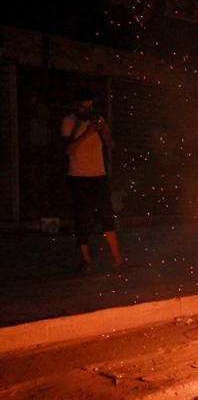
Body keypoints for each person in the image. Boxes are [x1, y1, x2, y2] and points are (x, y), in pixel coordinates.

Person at [61, 88, 124, 271]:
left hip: (98, 175)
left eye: (90, 106)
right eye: (83, 107)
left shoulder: (98, 119)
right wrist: (88, 132)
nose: (87, 110)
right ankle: (86, 260)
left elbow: (111, 146)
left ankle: (117, 257)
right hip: (78, 177)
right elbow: (68, 149)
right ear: (76, 106)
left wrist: (104, 131)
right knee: (82, 217)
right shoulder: (69, 122)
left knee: (106, 214)